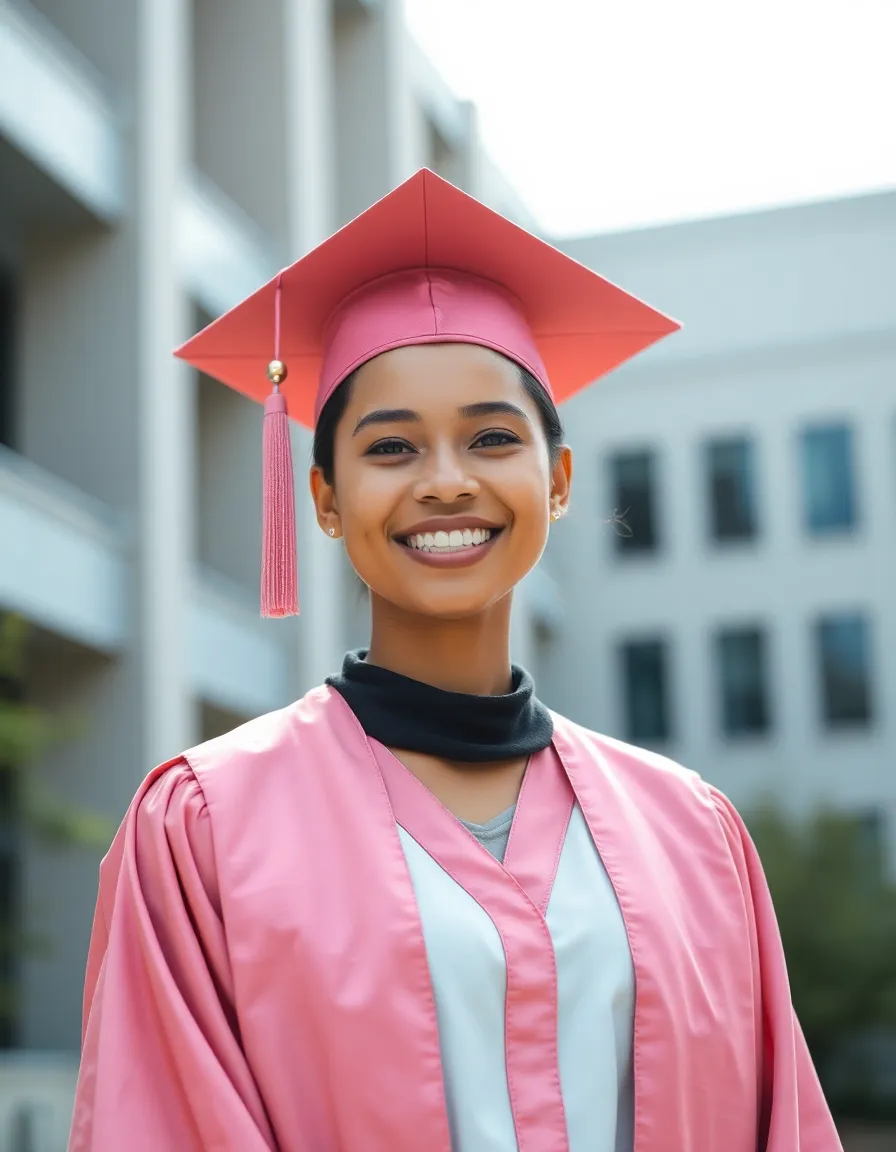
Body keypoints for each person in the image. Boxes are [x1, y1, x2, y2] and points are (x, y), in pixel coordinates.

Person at [68, 170, 842, 1151]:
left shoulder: (690, 833)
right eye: (390, 449)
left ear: (555, 480)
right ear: (324, 497)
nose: (445, 483)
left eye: (489, 437)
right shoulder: (205, 829)